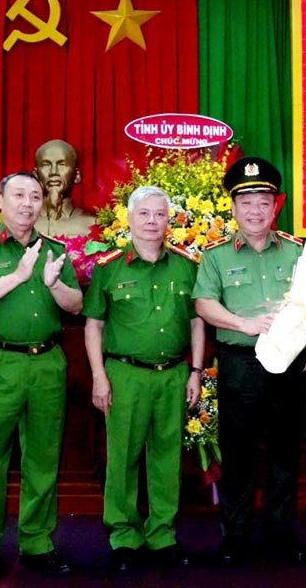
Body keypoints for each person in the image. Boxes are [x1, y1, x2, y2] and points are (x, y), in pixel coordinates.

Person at [192, 156, 306, 565]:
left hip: (290, 365)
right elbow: (204, 303)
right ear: (234, 207)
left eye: (263, 201)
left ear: (276, 206)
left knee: (284, 452)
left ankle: (281, 533)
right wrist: (243, 323)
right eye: (246, 202)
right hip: (241, 364)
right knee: (238, 454)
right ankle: (235, 536)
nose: (255, 210)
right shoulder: (216, 256)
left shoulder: (299, 254)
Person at [0, 171, 84, 585]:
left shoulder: (55, 251)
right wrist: (17, 277)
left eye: (35, 196)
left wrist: (52, 284)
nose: (28, 203)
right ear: (0, 200)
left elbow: (76, 305)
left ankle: (37, 543)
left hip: (46, 364)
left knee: (43, 460)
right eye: (19, 195)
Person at [83, 185, 204, 572]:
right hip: (125, 374)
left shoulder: (187, 265)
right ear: (130, 218)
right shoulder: (109, 267)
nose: (153, 222)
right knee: (122, 458)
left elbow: (198, 321)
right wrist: (99, 376)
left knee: (167, 458)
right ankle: (123, 536)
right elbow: (93, 325)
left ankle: (163, 534)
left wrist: (196, 371)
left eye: (160, 214)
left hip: (173, 374)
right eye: (145, 214)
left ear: (170, 220)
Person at [33, 139, 96, 237]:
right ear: (36, 175)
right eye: (46, 165)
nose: (53, 172)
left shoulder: (93, 223)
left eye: (62, 164)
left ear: (77, 176)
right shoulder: (20, 223)